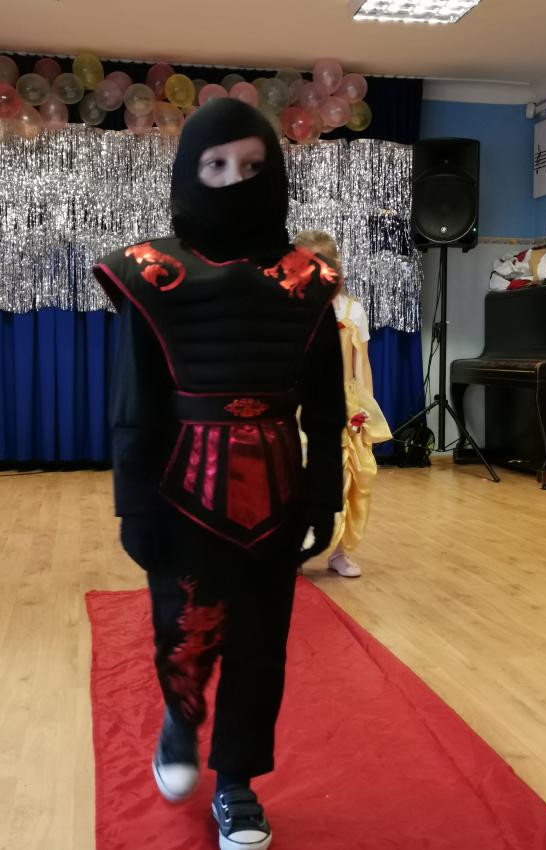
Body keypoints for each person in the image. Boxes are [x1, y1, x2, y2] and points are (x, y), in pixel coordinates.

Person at [92, 99, 345, 850]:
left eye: (253, 166)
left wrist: (324, 493)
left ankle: (236, 782)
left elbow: (326, 405)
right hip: (181, 494)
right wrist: (134, 505)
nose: (236, 180)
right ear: (189, 171)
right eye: (217, 165)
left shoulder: (308, 282)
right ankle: (180, 720)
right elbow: (134, 405)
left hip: (277, 495)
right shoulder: (151, 274)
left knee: (261, 648)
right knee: (184, 630)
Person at [294, 230, 392, 579]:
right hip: (301, 402)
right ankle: (297, 548)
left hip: (343, 403)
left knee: (351, 478)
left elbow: (361, 363)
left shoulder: (352, 310)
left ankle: (339, 551)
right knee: (300, 476)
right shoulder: (292, 308)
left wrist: (367, 409)